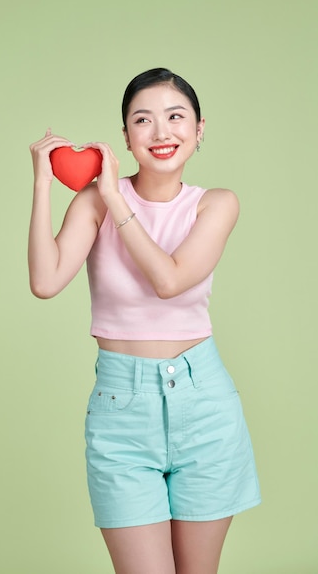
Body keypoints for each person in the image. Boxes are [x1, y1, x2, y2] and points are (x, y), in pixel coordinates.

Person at [28, 68, 261, 574]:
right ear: (126, 137)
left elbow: (169, 280)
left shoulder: (215, 204)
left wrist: (114, 198)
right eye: (143, 120)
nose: (161, 133)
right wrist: (44, 183)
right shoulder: (89, 203)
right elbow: (45, 282)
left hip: (205, 408)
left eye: (176, 117)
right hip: (120, 410)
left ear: (199, 129)